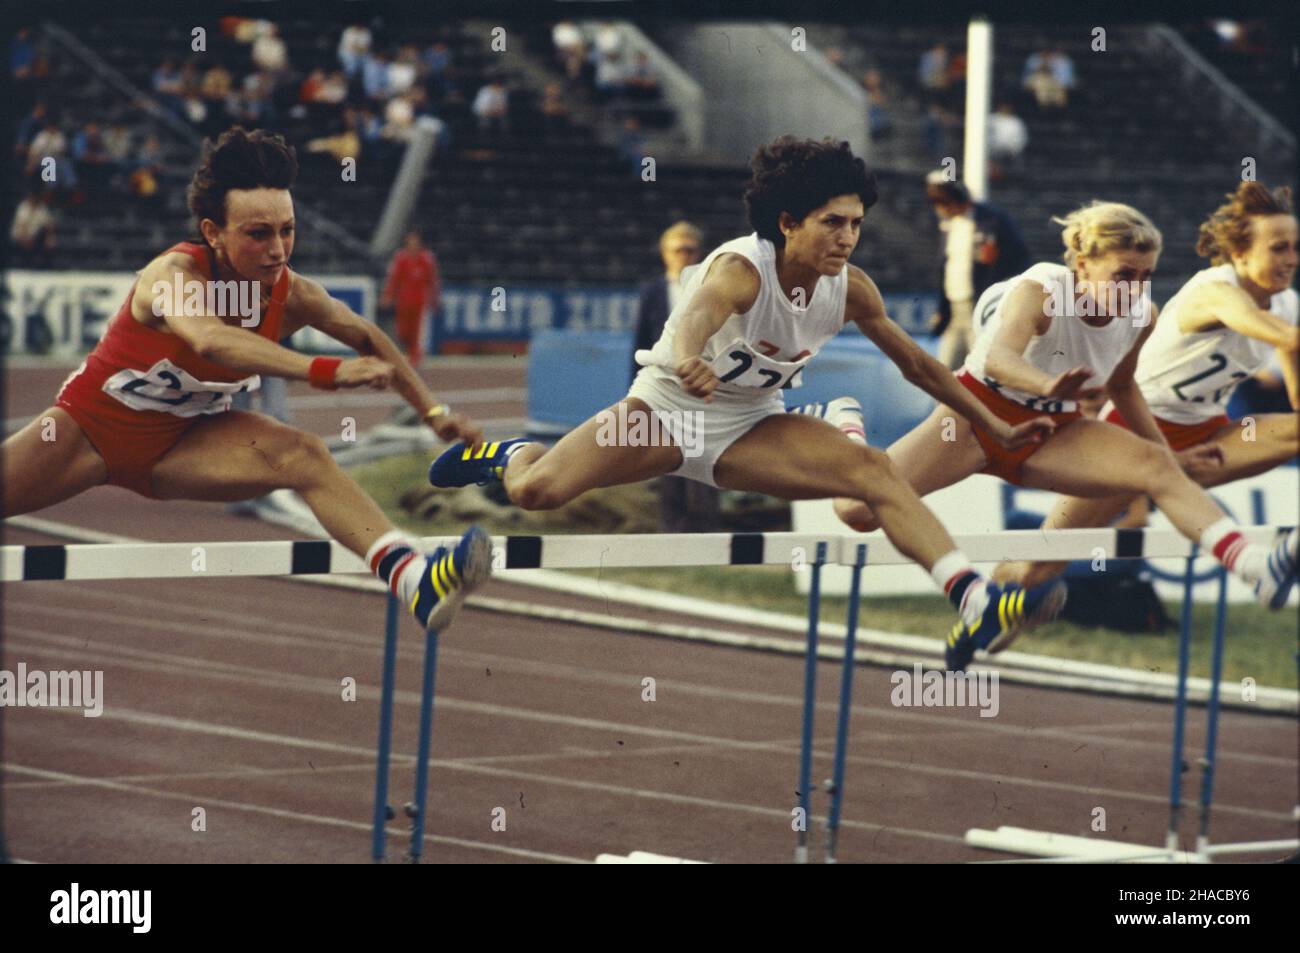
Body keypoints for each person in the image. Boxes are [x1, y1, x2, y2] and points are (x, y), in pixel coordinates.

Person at [429, 136, 1073, 669]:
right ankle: (510, 453)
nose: (847, 238)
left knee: (875, 474)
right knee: (537, 492)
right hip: (668, 410)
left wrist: (993, 424)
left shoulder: (851, 290)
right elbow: (696, 317)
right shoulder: (743, 269)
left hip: (748, 422)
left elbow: (919, 365)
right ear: (788, 222)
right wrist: (686, 356)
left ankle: (973, 600)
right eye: (832, 223)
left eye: (856, 224)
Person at [0, 127, 490, 634]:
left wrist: (434, 414)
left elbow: (367, 337)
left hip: (182, 446)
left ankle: (415, 580)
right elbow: (212, 339)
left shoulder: (292, 293)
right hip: (88, 433)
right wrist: (325, 370)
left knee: (303, 454)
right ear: (213, 232)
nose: (278, 250)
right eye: (259, 234)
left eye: (288, 230)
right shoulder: (174, 275)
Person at [828, 200, 1298, 660]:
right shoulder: (1043, 289)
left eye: (1145, 277)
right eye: (1122, 276)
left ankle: (1256, 567)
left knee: (1154, 468)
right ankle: (845, 428)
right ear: (1082, 265)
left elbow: (1123, 387)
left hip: (1052, 431)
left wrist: (1170, 458)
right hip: (976, 419)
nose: (1134, 290)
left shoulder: (1142, 316)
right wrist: (1047, 383)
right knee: (856, 511)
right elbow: (998, 359)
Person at [995, 182, 1299, 593]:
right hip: (1134, 432)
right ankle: (987, 606)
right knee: (1041, 567)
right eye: (1279, 248)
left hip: (1205, 437)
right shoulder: (1215, 291)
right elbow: (1284, 337)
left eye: (1295, 248)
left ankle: (1265, 547)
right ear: (1241, 252)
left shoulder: (1288, 305)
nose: (1292, 260)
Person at [630, 222, 716, 531]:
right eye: (678, 250)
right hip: (664, 386)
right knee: (667, 456)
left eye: (690, 250)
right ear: (666, 254)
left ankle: (707, 530)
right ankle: (671, 528)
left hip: (704, 384)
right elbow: (640, 342)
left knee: (706, 455)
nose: (684, 255)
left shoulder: (712, 286)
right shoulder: (652, 292)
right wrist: (635, 394)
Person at [926, 172, 1030, 370]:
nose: (941, 210)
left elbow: (1021, 257)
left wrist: (997, 259)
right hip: (954, 309)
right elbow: (945, 268)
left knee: (981, 368)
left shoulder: (993, 219)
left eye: (944, 204)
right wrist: (942, 308)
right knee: (945, 371)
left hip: (982, 307)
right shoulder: (948, 225)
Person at [381, 229, 440, 365]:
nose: (413, 243)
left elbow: (432, 280)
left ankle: (415, 357)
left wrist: (434, 299)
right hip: (403, 300)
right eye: (410, 240)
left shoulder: (426, 258)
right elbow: (394, 278)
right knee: (403, 331)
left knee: (416, 331)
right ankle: (409, 351)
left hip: (420, 301)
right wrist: (388, 296)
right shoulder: (401, 257)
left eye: (415, 240)